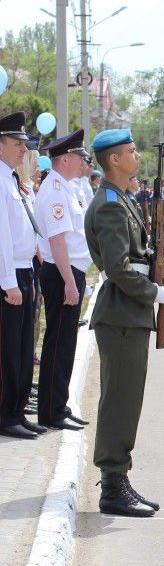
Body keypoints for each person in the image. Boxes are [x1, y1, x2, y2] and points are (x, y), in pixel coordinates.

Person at [84, 128, 164, 517]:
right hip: (122, 311)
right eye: (132, 151)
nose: (137, 156)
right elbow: (118, 267)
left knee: (127, 399)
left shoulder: (121, 198)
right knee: (120, 400)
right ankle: (113, 487)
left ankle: (119, 479)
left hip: (128, 312)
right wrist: (155, 293)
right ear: (114, 160)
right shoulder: (110, 205)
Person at [34, 129, 94, 430]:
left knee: (65, 343)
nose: (83, 162)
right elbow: (57, 240)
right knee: (58, 343)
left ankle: (59, 404)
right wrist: (70, 282)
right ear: (66, 159)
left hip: (68, 271)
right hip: (62, 273)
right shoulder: (55, 190)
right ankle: (51, 412)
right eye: (79, 157)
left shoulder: (66, 188)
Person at [0, 112, 45, 440]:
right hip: (10, 275)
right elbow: (1, 236)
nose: (22, 149)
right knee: (8, 351)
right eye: (16, 144)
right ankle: (6, 415)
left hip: (24, 271)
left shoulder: (12, 179)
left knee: (23, 346)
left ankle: (17, 411)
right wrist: (9, 283)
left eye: (23, 144)